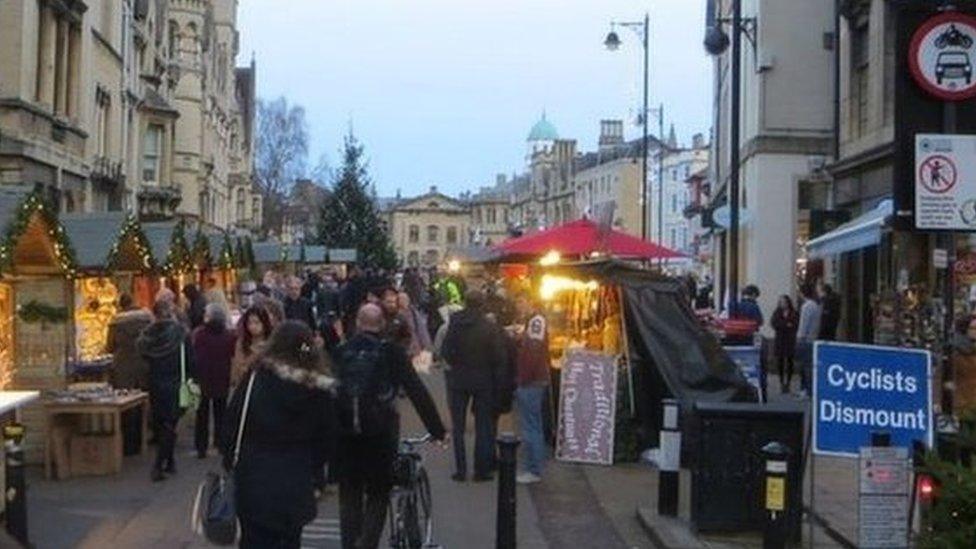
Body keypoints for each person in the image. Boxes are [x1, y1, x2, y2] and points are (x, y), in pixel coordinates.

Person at [333, 304, 447, 549]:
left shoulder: (341, 351)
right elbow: (417, 391)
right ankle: (367, 544)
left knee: (349, 494)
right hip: (380, 434)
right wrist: (437, 430)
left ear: (357, 323)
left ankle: (349, 544)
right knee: (378, 493)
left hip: (345, 435)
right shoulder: (392, 353)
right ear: (382, 324)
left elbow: (327, 392)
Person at [222, 321, 336, 549]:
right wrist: (314, 470)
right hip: (296, 479)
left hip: (254, 478)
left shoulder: (256, 379)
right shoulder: (317, 387)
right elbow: (328, 436)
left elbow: (232, 423)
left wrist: (231, 460)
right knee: (290, 539)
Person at [441, 290, 506, 482]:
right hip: (482, 380)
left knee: (458, 428)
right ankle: (481, 470)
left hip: (458, 379)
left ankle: (461, 470)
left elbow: (446, 350)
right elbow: (498, 357)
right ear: (482, 304)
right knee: (483, 426)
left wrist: (455, 364)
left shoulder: (455, 322)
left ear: (465, 302)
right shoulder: (489, 326)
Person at [138, 299, 193, 482]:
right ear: (170, 312)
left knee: (162, 423)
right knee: (170, 423)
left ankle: (169, 461)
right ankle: (158, 465)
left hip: (155, 383)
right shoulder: (180, 334)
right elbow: (191, 359)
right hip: (176, 382)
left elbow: (142, 357)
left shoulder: (147, 336)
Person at [106, 293, 153, 454]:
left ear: (121, 305)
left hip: (123, 366)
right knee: (141, 402)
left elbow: (110, 346)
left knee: (124, 403)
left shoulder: (116, 322)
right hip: (143, 364)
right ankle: (141, 440)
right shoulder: (146, 318)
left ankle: (127, 444)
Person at [512, 293, 549, 484]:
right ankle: (535, 466)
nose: (519, 306)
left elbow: (533, 351)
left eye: (521, 302)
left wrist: (522, 379)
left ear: (530, 302)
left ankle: (533, 469)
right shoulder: (534, 322)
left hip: (531, 381)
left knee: (530, 426)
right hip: (534, 380)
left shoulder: (536, 322)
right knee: (533, 425)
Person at [192, 303, 236, 459]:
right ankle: (220, 443)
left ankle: (201, 447)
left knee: (201, 414)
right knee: (221, 413)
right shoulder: (229, 335)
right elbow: (232, 355)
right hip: (222, 376)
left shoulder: (199, 334)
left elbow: (194, 354)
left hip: (203, 378)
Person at [232, 306, 274, 387]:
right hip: (246, 385)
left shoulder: (271, 342)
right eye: (249, 323)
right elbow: (240, 368)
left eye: (256, 322)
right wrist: (255, 354)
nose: (252, 327)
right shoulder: (242, 343)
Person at [795, 284, 823, 396]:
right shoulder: (816, 305)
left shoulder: (806, 306)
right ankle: (809, 389)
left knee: (804, 366)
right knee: (809, 366)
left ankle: (806, 389)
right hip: (813, 338)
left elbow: (803, 324)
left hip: (805, 340)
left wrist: (800, 337)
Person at [770, 295, 799, 394]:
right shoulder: (777, 312)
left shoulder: (794, 312)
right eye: (781, 302)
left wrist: (784, 324)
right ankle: (782, 382)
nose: (783, 304)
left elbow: (795, 324)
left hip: (790, 340)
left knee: (790, 361)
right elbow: (774, 323)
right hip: (780, 340)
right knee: (780, 361)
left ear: (788, 302)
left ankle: (788, 382)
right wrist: (786, 324)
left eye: (784, 302)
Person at [398, 291, 431, 359]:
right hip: (405, 350)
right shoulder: (396, 316)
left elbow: (422, 331)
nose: (404, 301)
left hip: (416, 349)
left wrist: (427, 348)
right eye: (401, 299)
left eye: (405, 299)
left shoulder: (414, 313)